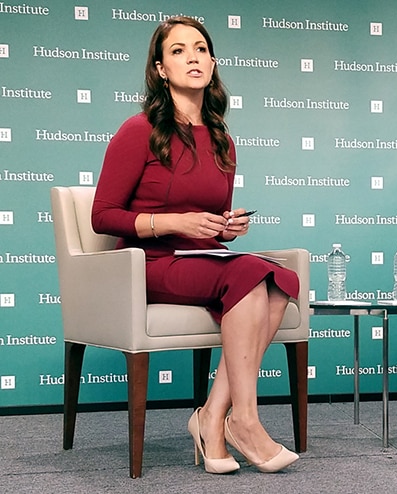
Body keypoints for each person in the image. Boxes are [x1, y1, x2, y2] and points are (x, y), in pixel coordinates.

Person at [92, 16, 299, 475]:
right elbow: (103, 216)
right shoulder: (138, 130)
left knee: (281, 279)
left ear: (213, 63)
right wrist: (173, 221)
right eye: (179, 50)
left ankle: (210, 418)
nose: (193, 58)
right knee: (249, 276)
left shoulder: (222, 138)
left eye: (201, 49)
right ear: (161, 69)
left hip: (202, 258)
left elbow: (214, 218)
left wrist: (227, 228)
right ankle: (242, 420)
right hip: (148, 261)